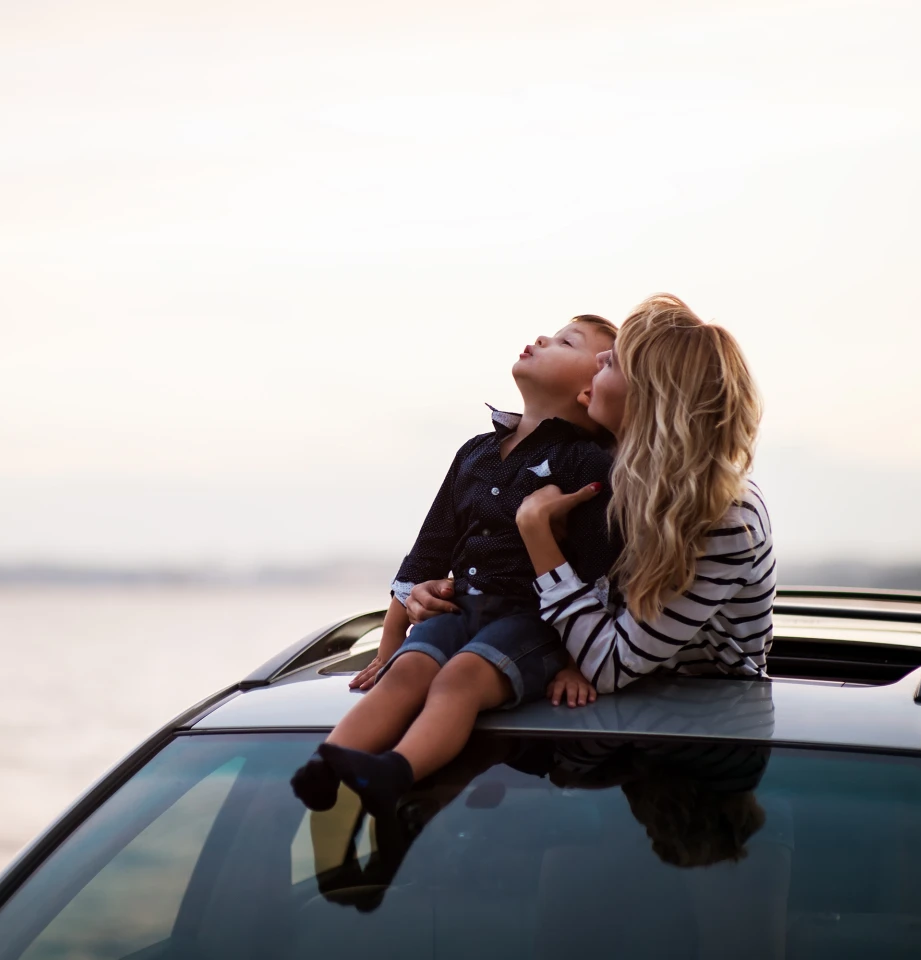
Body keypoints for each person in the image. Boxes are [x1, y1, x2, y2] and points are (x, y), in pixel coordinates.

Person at [291, 315, 622, 818]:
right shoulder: (475, 452)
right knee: (409, 670)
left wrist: (580, 664)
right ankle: (328, 763)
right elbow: (429, 551)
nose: (541, 339)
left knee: (458, 679)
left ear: (586, 391)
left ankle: (398, 772)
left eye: (564, 342)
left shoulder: (586, 462)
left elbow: (601, 565)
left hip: (532, 622)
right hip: (459, 606)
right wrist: (387, 648)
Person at [409, 293, 774, 694]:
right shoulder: (596, 471)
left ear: (650, 395)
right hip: (591, 721)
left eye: (613, 362)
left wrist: (536, 531)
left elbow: (611, 664)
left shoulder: (723, 513)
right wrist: (445, 593)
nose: (599, 361)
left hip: (703, 728)